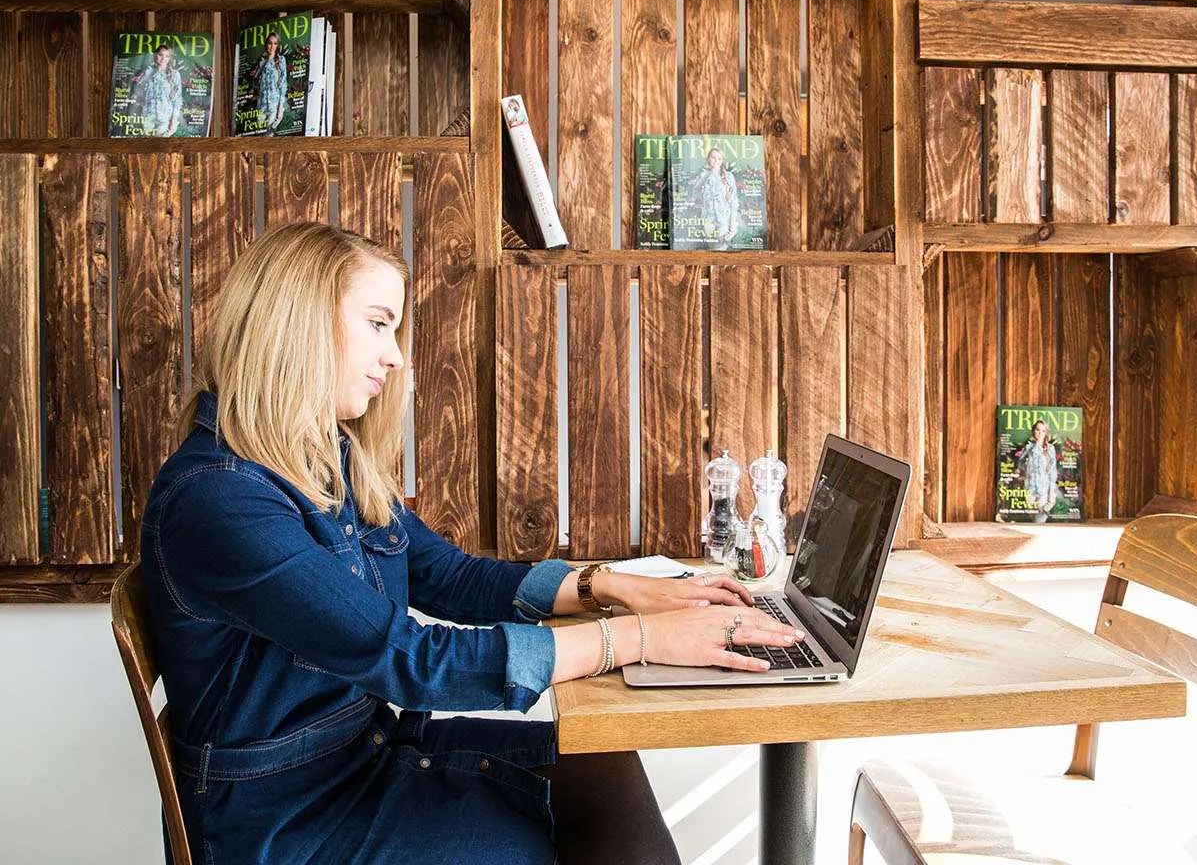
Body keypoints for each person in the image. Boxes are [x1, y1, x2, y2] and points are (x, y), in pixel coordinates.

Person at [139, 221, 802, 865]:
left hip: (364, 756)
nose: (394, 355)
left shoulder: (319, 457)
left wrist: (607, 585)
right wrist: (633, 639)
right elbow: (406, 659)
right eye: (377, 324)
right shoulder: (220, 499)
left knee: (602, 768)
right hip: (290, 821)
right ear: (298, 321)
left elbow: (443, 575)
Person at [692, 146, 741, 248]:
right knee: (711, 249)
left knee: (720, 249)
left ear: (722, 161)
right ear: (708, 159)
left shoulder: (729, 177)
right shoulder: (703, 176)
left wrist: (733, 226)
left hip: (723, 220)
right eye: (713, 157)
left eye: (719, 158)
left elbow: (734, 203)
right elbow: (695, 193)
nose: (716, 161)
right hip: (707, 220)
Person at [130, 43, 182, 137]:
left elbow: (177, 99)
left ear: (170, 58)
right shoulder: (148, 72)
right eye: (160, 55)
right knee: (147, 144)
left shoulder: (175, 74)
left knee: (160, 144)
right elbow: (137, 91)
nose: (163, 58)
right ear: (155, 55)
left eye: (167, 56)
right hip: (148, 115)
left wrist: (174, 119)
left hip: (165, 117)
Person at [1016, 418, 1059, 523]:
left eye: (1043, 431)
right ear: (1034, 431)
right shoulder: (1028, 448)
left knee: (1039, 521)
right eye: (1038, 430)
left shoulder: (1050, 449)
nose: (1040, 433)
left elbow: (1052, 473)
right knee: (1030, 521)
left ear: (1046, 433)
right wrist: (1023, 474)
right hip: (1029, 490)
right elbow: (1020, 464)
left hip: (1043, 491)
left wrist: (1051, 493)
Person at [253, 31, 287, 133]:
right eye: (270, 43)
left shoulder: (281, 60)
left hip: (274, 105)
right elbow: (254, 82)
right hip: (261, 106)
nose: (272, 46)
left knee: (269, 135)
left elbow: (283, 86)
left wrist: (280, 108)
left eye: (275, 43)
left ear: (277, 46)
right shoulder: (262, 62)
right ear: (266, 44)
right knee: (259, 134)